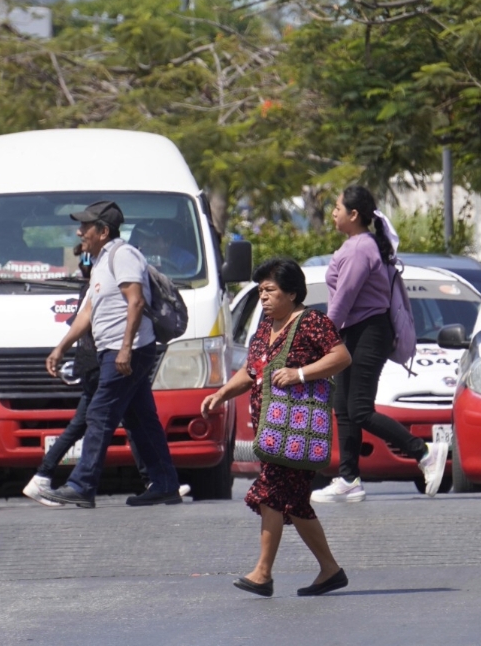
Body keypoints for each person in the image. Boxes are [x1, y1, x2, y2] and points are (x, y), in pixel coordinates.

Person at [200, 258, 352, 597]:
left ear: (291, 293)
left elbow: (341, 357)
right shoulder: (263, 330)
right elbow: (252, 372)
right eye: (260, 292)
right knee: (293, 501)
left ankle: (263, 572)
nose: (264, 298)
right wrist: (223, 393)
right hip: (271, 434)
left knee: (272, 493)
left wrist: (300, 373)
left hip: (297, 433)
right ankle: (330, 569)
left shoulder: (311, 322)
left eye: (270, 291)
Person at [312, 186, 448, 503]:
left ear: (354, 215)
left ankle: (424, 452)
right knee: (343, 408)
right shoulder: (357, 245)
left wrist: (322, 335)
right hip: (354, 332)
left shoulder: (361, 248)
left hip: (367, 332)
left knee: (359, 410)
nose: (333, 212)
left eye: (337, 207)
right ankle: (348, 479)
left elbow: (344, 297)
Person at [41, 201, 181, 508]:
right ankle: (166, 484)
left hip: (126, 350)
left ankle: (81, 484)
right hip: (113, 351)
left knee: (99, 415)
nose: (80, 232)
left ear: (103, 231)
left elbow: (136, 302)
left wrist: (126, 348)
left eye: (86, 227)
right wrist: (61, 347)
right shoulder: (100, 262)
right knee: (141, 420)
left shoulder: (123, 255)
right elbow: (87, 313)